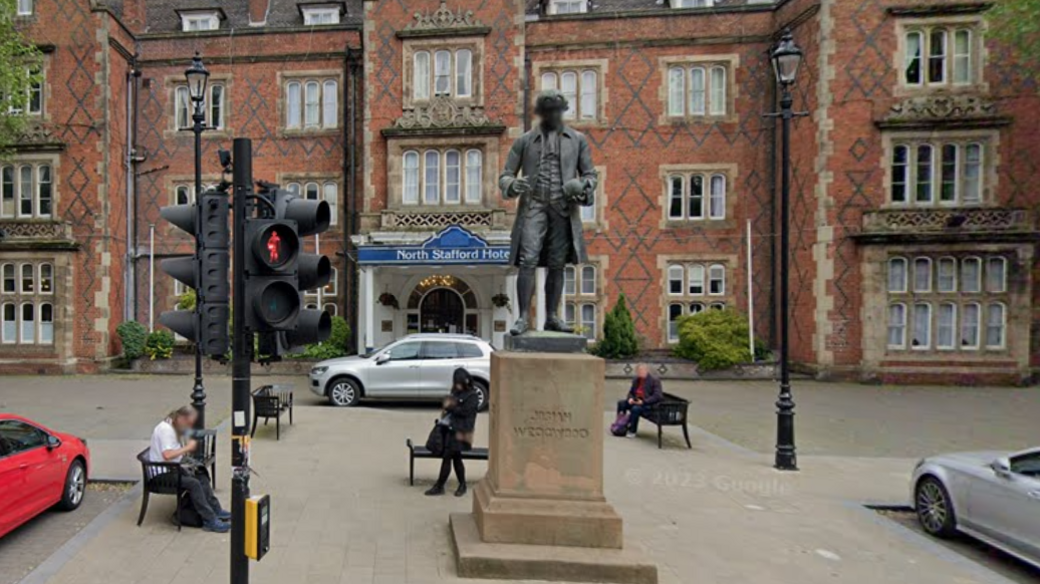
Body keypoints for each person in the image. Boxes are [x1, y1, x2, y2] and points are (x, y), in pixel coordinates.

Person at [499, 89, 598, 336]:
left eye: (558, 110)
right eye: (549, 111)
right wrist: (512, 185)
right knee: (528, 259)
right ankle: (522, 317)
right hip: (534, 204)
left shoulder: (577, 140)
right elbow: (506, 175)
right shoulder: (524, 141)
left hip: (563, 207)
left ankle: (552, 317)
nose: (554, 115)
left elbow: (590, 175)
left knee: (557, 263)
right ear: (541, 114)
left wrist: (584, 186)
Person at [148, 405, 231, 533]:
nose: (188, 427)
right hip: (163, 473)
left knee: (201, 474)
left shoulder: (173, 425)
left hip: (173, 467)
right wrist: (187, 448)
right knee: (194, 484)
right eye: (188, 423)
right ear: (181, 418)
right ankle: (209, 520)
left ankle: (215, 509)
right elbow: (167, 454)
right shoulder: (166, 430)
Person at [425, 369, 479, 497]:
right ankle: (461, 485)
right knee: (456, 458)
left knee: (449, 457)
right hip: (450, 429)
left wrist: (451, 406)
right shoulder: (455, 392)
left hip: (462, 431)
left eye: (459, 383)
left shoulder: (472, 395)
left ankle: (440, 485)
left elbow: (466, 412)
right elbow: (448, 405)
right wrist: (449, 406)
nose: (457, 386)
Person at [616, 365, 663, 438]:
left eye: (642, 371)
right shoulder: (636, 379)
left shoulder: (654, 380)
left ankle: (632, 430)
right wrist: (630, 398)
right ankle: (620, 425)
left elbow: (658, 396)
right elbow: (631, 392)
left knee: (635, 409)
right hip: (636, 400)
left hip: (647, 404)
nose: (640, 373)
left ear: (647, 371)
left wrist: (644, 401)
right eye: (639, 372)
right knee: (621, 403)